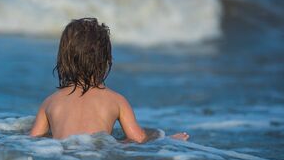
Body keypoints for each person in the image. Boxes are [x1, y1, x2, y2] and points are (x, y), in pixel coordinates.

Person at [30, 17, 189, 143]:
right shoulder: (117, 101)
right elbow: (139, 139)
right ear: (106, 60)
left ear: (64, 60)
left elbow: (32, 141)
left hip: (61, 155)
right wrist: (167, 140)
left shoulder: (50, 102)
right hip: (97, 156)